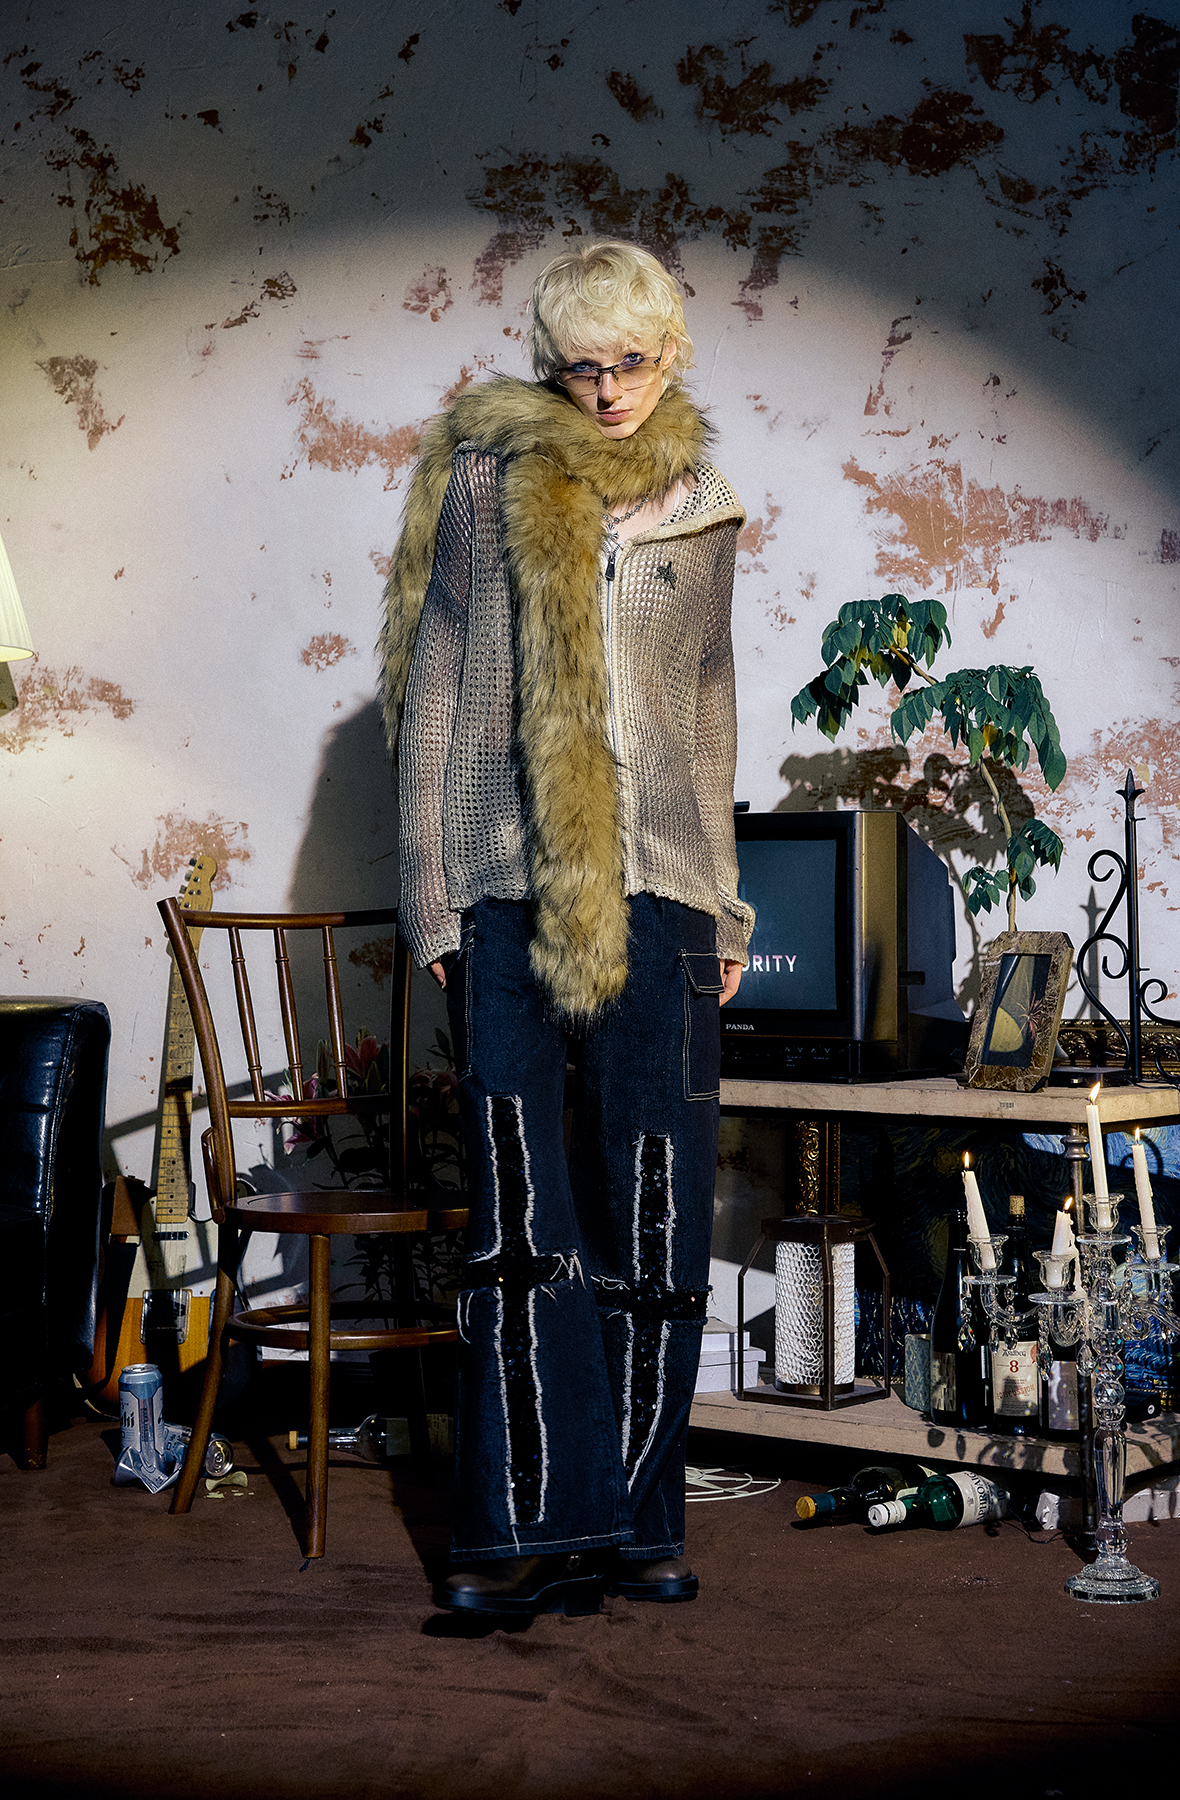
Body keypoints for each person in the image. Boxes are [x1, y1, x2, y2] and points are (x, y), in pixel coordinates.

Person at [378, 241, 753, 1620]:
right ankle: (516, 1529)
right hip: (507, 882)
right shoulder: (489, 477)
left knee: (654, 1196)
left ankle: (639, 1523)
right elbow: (433, 689)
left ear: (672, 352)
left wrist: (724, 897)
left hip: (662, 892)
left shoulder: (704, 508)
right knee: (520, 1209)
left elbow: (707, 710)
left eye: (629, 362)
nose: (605, 390)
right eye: (581, 366)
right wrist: (431, 892)